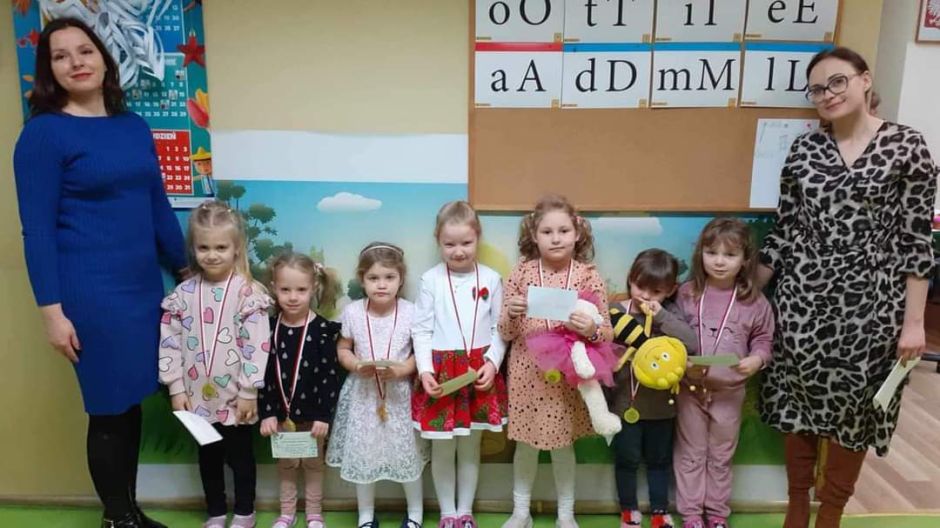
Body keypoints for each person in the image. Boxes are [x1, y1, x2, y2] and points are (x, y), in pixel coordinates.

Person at [12, 17, 187, 528]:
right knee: (109, 406)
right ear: (49, 71)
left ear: (104, 59)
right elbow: (37, 232)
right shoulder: (43, 135)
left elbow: (157, 206)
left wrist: (186, 272)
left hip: (142, 289)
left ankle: (128, 513)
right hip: (91, 295)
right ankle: (119, 518)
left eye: (84, 50)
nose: (76, 62)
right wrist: (51, 313)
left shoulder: (132, 127)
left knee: (132, 401)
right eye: (60, 56)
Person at [758, 47, 938, 528]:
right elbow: (785, 229)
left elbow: (917, 242)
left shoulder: (907, 146)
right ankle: (798, 507)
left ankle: (832, 512)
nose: (827, 94)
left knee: (856, 410)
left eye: (837, 81)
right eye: (817, 89)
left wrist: (914, 324)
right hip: (802, 300)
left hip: (873, 305)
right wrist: (747, 292)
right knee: (796, 403)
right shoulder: (805, 150)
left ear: (864, 80)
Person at [499, 194, 613, 528]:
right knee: (525, 447)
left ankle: (566, 514)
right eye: (547, 232)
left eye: (563, 231)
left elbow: (606, 333)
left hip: (567, 379)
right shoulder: (520, 273)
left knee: (564, 447)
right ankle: (521, 512)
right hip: (527, 374)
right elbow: (504, 332)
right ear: (534, 235)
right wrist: (511, 313)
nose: (556, 238)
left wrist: (590, 329)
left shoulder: (588, 276)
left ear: (577, 233)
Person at [159, 200, 271, 528]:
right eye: (203, 247)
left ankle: (245, 512)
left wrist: (249, 391)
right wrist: (176, 388)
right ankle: (216, 512)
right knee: (208, 457)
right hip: (196, 398)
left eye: (221, 247)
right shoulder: (182, 294)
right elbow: (169, 342)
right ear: (193, 249)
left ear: (236, 248)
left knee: (240, 458)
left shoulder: (248, 293)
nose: (212, 255)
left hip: (237, 398)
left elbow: (258, 346)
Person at [412, 201, 508, 528]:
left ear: (478, 237)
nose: (458, 251)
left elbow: (500, 328)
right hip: (442, 374)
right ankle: (447, 513)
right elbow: (421, 330)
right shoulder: (430, 280)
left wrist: (492, 363)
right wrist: (425, 369)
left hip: (479, 371)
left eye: (466, 242)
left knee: (470, 447)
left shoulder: (492, 278)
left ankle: (465, 511)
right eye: (449, 244)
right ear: (438, 241)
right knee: (442, 449)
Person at [673, 218, 774, 528]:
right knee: (690, 454)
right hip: (690, 389)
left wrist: (757, 359)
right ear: (700, 254)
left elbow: (764, 339)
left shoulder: (754, 301)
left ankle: (717, 515)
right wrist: (680, 361)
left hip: (730, 392)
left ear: (745, 259)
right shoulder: (686, 293)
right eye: (711, 252)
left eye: (729, 255)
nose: (719, 261)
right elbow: (669, 336)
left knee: (721, 456)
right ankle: (691, 515)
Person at [326, 243, 428, 528]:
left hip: (399, 395)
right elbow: (343, 347)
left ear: (401, 279)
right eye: (373, 278)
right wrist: (355, 364)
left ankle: (415, 512)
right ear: (362, 279)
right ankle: (366, 514)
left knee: (407, 452)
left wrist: (404, 369)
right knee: (364, 454)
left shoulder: (411, 311)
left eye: (389, 277)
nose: (381, 285)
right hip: (363, 394)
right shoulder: (352, 312)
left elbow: (420, 351)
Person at [608, 249, 697, 528]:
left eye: (656, 291)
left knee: (659, 461)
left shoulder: (669, 314)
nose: (645, 296)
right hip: (625, 404)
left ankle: (660, 510)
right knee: (626, 460)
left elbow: (692, 343)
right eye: (640, 286)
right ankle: (628, 510)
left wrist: (662, 317)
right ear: (630, 279)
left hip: (662, 407)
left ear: (671, 290)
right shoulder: (616, 311)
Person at [259, 252, 342, 528]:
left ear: (313, 288)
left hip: (313, 418)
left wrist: (323, 416)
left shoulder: (323, 331)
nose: (293, 297)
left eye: (301, 290)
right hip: (281, 418)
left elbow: (330, 378)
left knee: (313, 465)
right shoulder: (268, 329)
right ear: (274, 288)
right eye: (285, 290)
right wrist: (267, 413)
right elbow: (264, 376)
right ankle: (287, 513)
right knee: (286, 466)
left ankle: (315, 513)